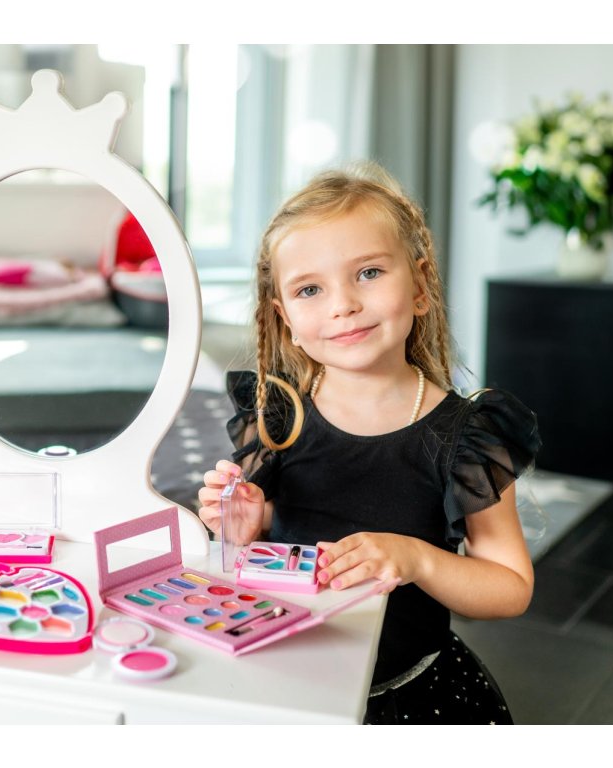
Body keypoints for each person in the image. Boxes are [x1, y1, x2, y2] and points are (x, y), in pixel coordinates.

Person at [197, 162, 540, 724]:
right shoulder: (277, 417)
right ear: (285, 319)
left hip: (408, 697)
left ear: (420, 286)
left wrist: (417, 559)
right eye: (310, 289)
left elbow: (510, 587)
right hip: (287, 683)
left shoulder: (467, 435)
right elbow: (274, 542)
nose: (343, 305)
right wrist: (248, 523)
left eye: (369, 273)